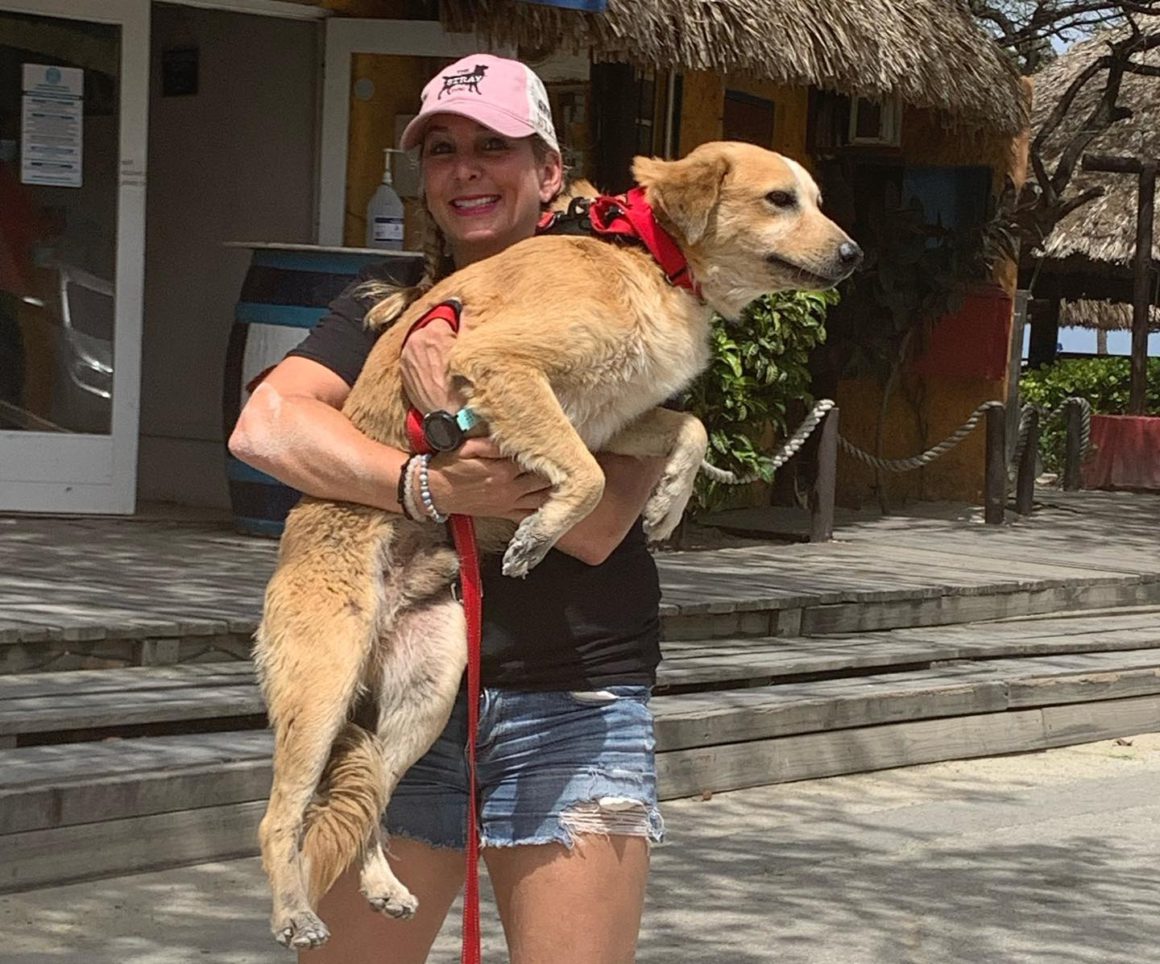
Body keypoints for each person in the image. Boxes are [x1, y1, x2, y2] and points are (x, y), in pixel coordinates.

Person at [230, 54, 667, 964]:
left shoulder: (622, 301)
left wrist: (455, 420)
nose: (465, 168)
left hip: (570, 700)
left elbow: (591, 526)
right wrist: (417, 483)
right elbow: (266, 425)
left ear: (549, 170)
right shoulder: (389, 306)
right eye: (440, 151)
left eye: (493, 146)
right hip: (399, 699)